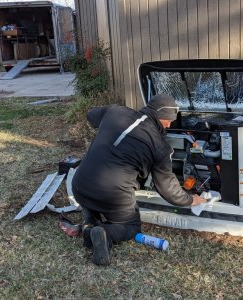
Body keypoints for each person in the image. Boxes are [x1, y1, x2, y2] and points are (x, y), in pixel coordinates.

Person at [72, 94, 206, 266]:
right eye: (169, 121)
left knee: (91, 199)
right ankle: (103, 234)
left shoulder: (116, 111)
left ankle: (89, 222)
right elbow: (166, 187)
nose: (170, 125)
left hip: (80, 185)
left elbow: (91, 115)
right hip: (112, 195)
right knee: (131, 227)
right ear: (161, 117)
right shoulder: (160, 146)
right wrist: (190, 199)